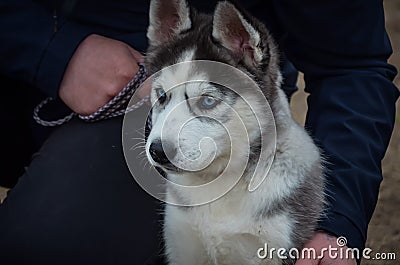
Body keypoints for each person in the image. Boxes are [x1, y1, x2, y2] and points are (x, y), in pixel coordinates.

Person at [0, 1, 398, 264]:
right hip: (16, 68)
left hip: (145, 97)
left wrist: (334, 222)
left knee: (43, 245)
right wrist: (52, 49)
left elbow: (352, 64)